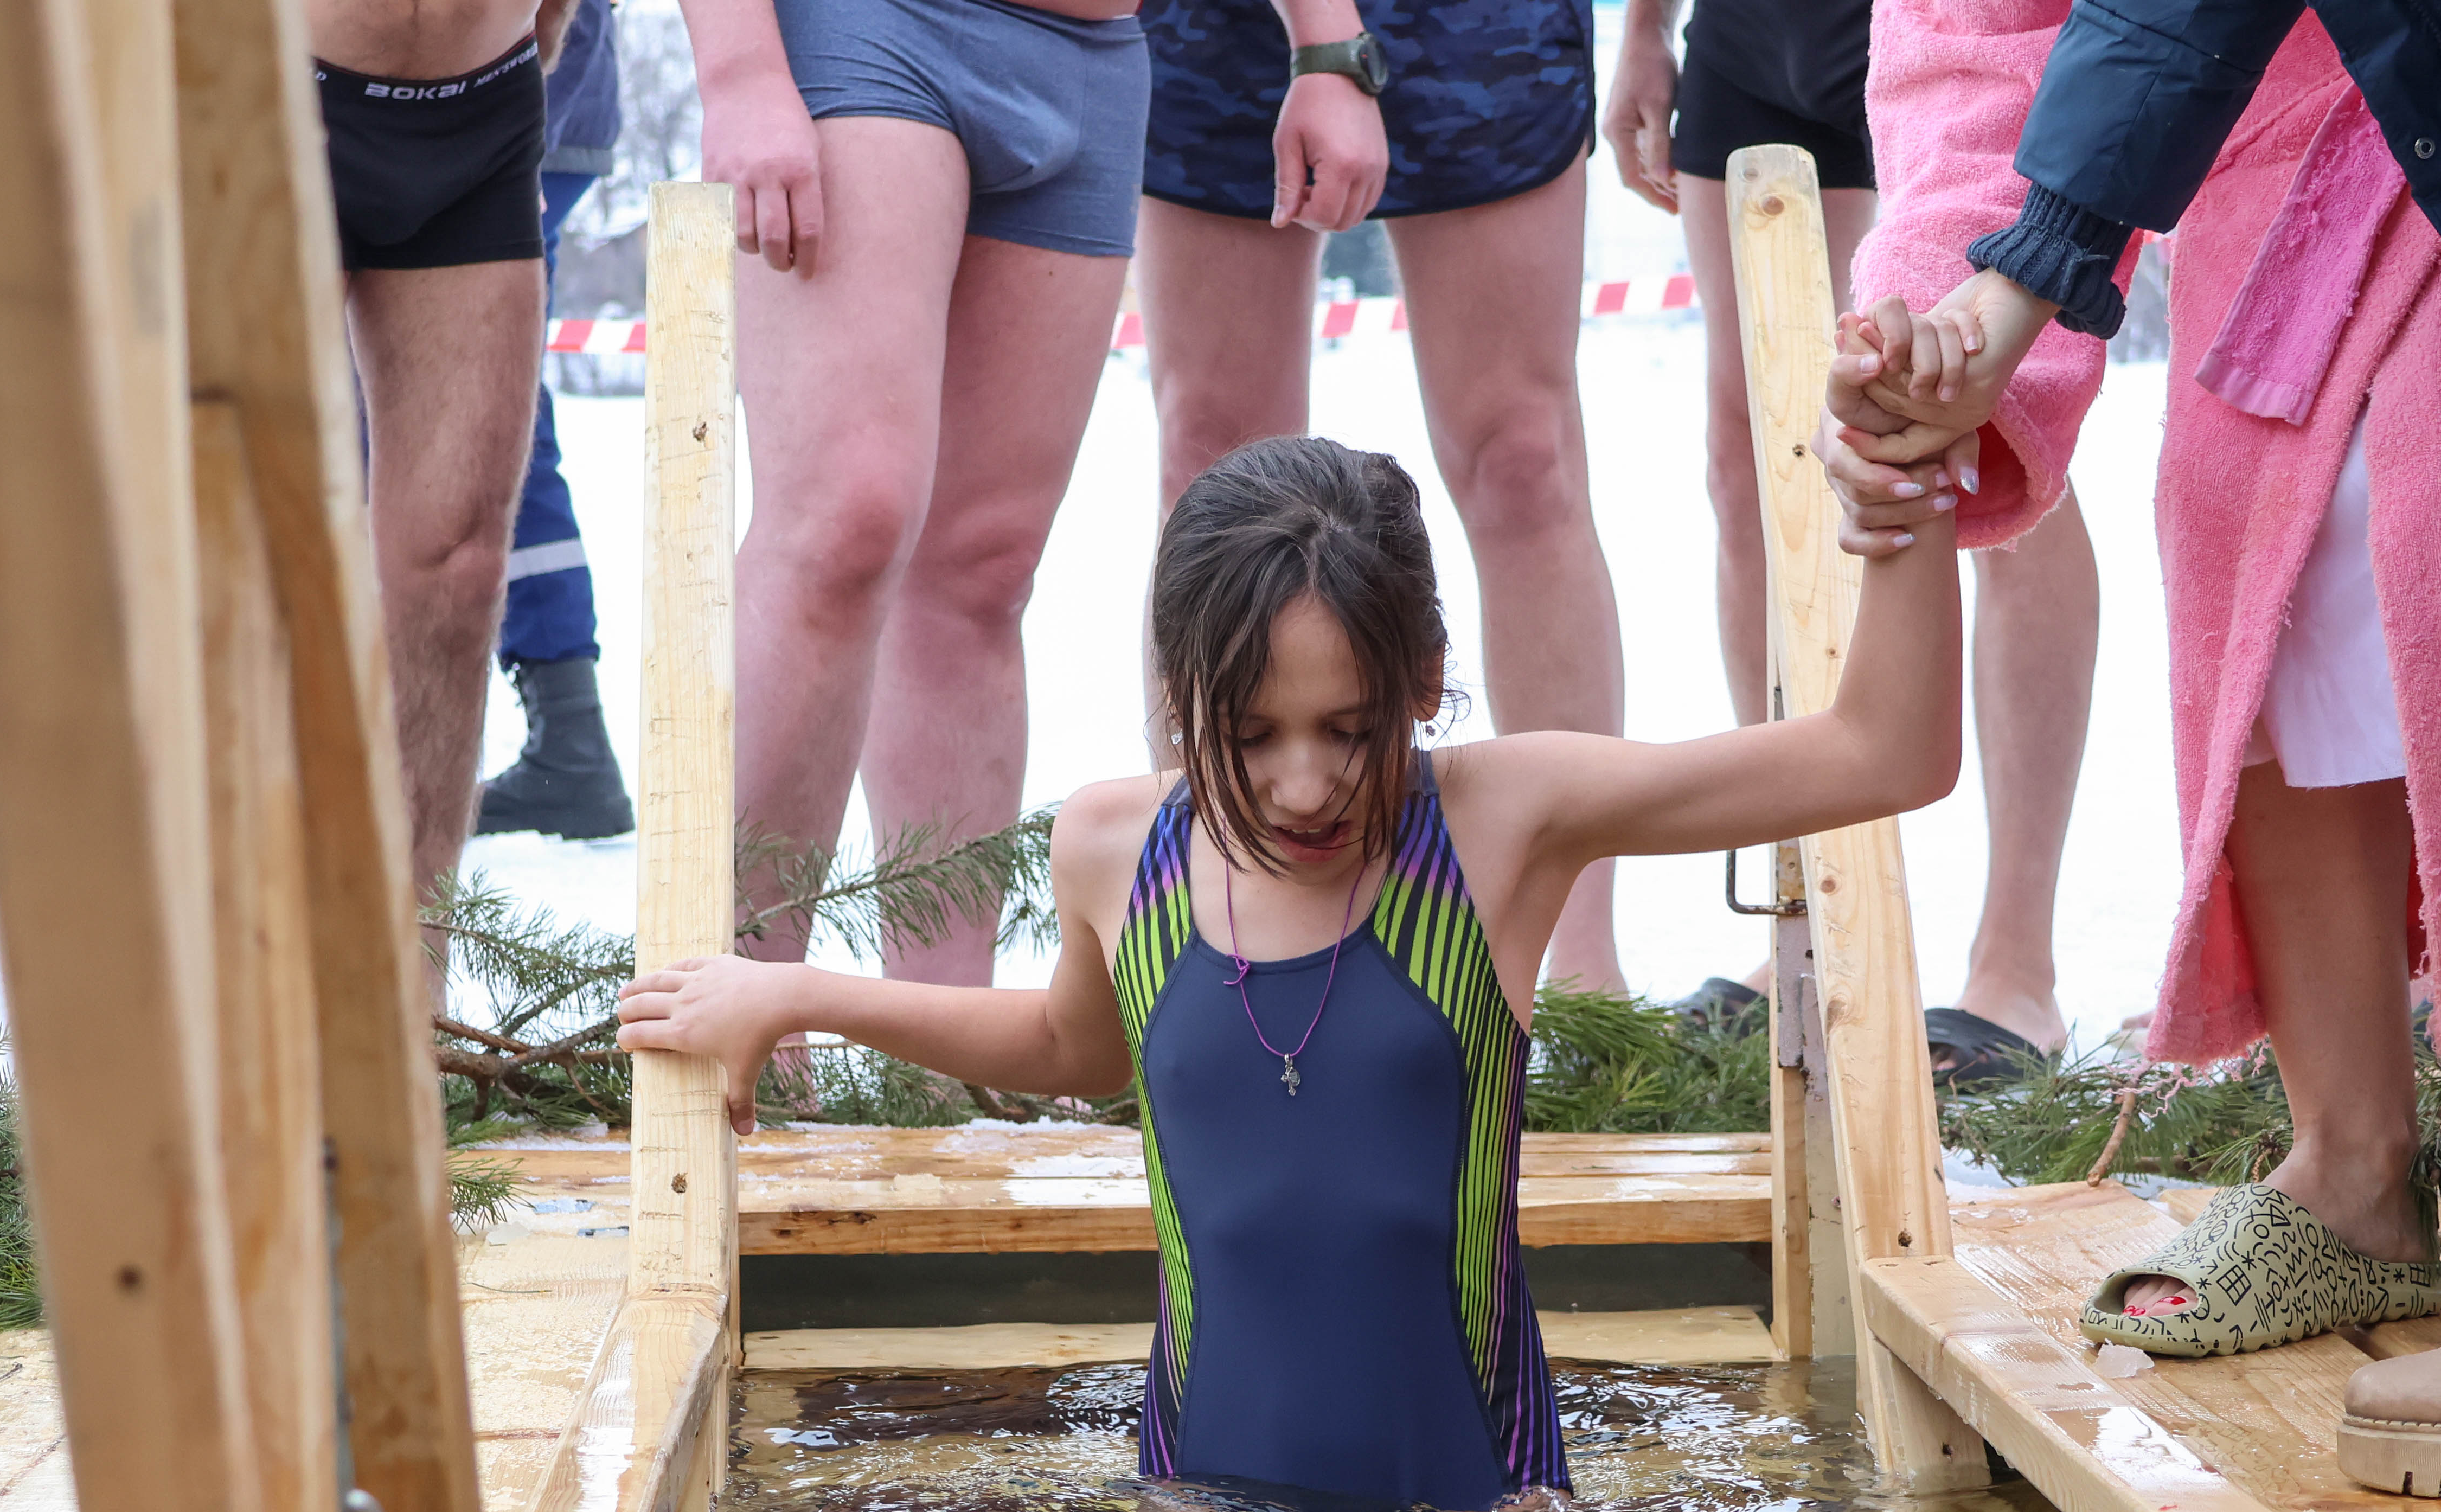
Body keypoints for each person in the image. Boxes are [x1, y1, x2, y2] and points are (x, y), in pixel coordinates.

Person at [614, 431, 1963, 1512]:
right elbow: (1071, 1051)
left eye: (1349, 727)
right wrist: (790, 991)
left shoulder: (1502, 821)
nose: (1303, 782)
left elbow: (1883, 755)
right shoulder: (1114, 845)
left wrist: (1905, 499)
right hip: (1211, 1475)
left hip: (1478, 1487)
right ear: (1178, 692)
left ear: (1427, 677)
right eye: (1248, 734)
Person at [1827, 14, 2441, 1378]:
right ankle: (2348, 1156)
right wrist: (1954, 311)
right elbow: (1982, 51)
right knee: (2252, 541)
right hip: (2252, 163)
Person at [1603, 0, 2097, 1077]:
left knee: (1984, 429)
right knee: (1749, 458)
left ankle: (2015, 968)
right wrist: (1643, 25)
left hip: (1943, 29)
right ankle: (1799, 908)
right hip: (1746, 32)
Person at [1132, 0, 1632, 994]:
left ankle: (1576, 979)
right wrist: (1325, 46)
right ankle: (1218, 944)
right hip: (1226, 31)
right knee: (1212, 463)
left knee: (1523, 456)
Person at [684, 0, 1150, 984]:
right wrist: (738, 69)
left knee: (984, 571)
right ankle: (733, 1009)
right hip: (878, 30)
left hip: (1095, 55)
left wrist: (1323, 46)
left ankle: (943, 1050)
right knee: (844, 522)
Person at [313, 0, 580, 901]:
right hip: (268, 91)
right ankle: (213, 988)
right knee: (238, 545)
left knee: (459, 570)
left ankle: (412, 999)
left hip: (482, 107)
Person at [476, 0, 638, 841]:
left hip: (498, 84)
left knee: (462, 412)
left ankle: (567, 735)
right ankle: (568, 732)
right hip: (494, 89)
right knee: (486, 410)